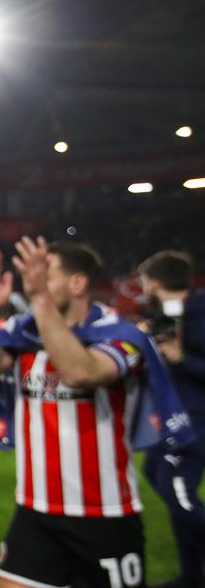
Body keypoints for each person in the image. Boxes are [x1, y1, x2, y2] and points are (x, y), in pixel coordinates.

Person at [0, 238, 186, 588]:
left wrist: (40, 300)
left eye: (45, 275)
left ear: (77, 283)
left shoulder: (121, 334)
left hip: (104, 515)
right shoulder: (23, 334)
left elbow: (82, 373)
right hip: (34, 512)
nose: (33, 284)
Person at [137, 250, 205, 588]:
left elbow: (183, 362)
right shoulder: (166, 315)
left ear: (155, 283)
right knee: (155, 473)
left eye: (143, 281)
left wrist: (181, 359)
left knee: (179, 494)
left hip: (195, 420)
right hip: (173, 418)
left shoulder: (200, 315)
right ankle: (192, 576)